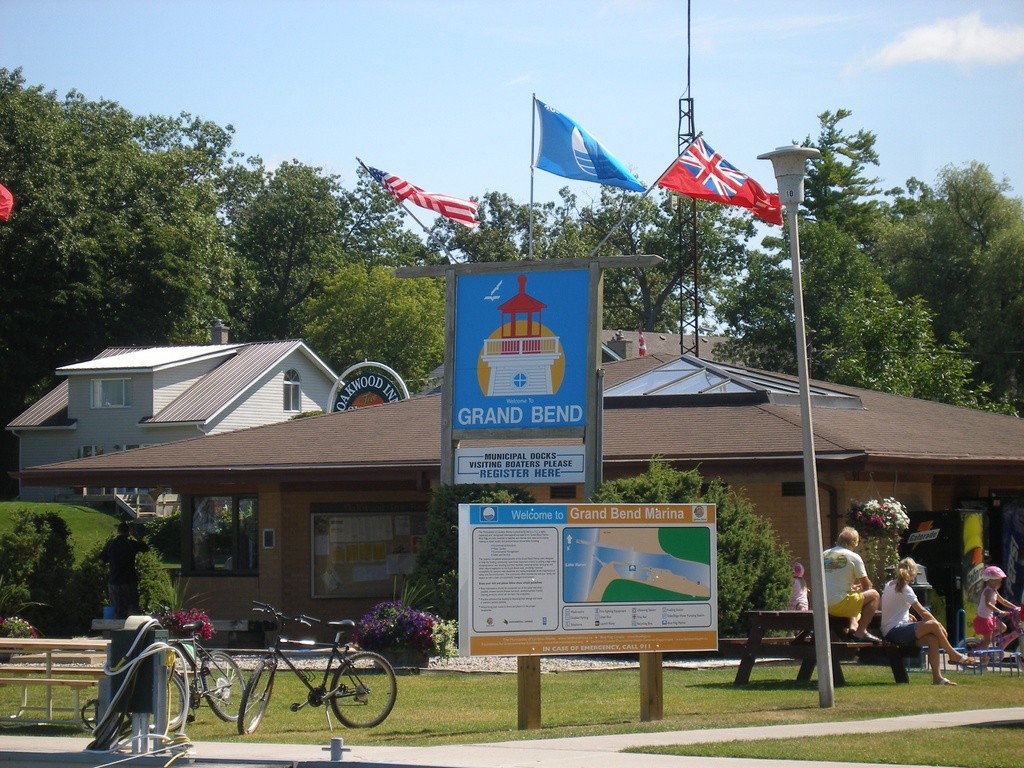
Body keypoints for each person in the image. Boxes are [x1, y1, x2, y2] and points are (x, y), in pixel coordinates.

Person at [881, 556, 978, 685]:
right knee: (933, 624)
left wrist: (907, 614)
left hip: (892, 631)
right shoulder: (905, 588)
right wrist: (939, 625)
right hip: (895, 632)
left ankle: (937, 678)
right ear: (913, 573)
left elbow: (893, 606)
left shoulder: (889, 585)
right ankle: (953, 654)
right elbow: (923, 612)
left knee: (932, 639)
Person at [823, 526, 881, 642]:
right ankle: (861, 631)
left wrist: (851, 588)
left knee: (852, 595)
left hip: (821, 604)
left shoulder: (824, 554)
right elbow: (867, 586)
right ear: (854, 543)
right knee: (874, 595)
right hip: (837, 605)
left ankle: (853, 625)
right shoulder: (854, 557)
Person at [99, 522, 149, 620]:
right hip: (129, 581)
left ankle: (118, 627)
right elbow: (146, 548)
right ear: (128, 532)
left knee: (116, 610)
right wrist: (136, 536)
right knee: (131, 609)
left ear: (118, 531)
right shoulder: (131, 544)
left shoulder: (111, 544)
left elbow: (101, 561)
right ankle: (130, 627)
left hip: (114, 582)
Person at [973, 565, 1018, 650]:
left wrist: (1015, 607)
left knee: (1003, 628)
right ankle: (984, 656)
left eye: (1000, 581)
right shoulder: (988, 590)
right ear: (990, 581)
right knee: (987, 641)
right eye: (997, 581)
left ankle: (988, 639)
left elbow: (1003, 601)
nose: (1000, 584)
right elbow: (988, 604)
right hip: (984, 618)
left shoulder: (994, 590)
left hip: (990, 617)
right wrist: (999, 611)